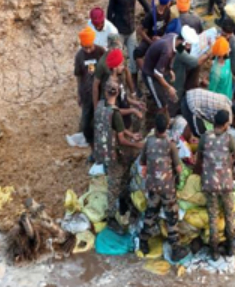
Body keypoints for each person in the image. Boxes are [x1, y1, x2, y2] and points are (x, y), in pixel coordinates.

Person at [94, 80, 144, 230]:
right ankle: (111, 217)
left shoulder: (100, 106)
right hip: (113, 152)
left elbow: (118, 128)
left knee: (123, 175)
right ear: (117, 94)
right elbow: (121, 138)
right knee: (114, 183)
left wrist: (131, 134)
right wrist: (136, 144)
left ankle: (123, 203)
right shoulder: (114, 113)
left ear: (105, 93)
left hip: (102, 148)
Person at [138, 115, 186, 260]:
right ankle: (176, 249)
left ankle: (143, 242)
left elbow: (143, 163)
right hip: (167, 188)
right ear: (167, 128)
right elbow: (178, 168)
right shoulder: (170, 144)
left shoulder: (149, 142)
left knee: (150, 213)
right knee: (171, 217)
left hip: (153, 186)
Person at [197, 109, 235, 259]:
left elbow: (198, 161)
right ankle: (231, 247)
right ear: (224, 125)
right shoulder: (229, 139)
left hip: (209, 183)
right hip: (225, 184)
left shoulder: (204, 138)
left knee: (213, 217)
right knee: (229, 215)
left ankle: (214, 251)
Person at [107, 0, 150, 82]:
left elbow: (144, 2)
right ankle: (119, 86)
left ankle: (134, 86)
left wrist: (151, 16)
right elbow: (109, 13)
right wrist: (111, 33)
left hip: (131, 31)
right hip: (119, 32)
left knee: (133, 59)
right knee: (117, 62)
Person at [143, 28, 197, 116]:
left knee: (163, 98)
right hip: (150, 74)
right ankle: (160, 125)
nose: (189, 48)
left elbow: (174, 54)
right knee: (162, 106)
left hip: (158, 67)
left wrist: (169, 69)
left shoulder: (174, 37)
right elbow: (157, 74)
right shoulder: (167, 51)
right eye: (188, 45)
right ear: (183, 42)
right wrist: (169, 88)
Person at [75, 27, 107, 144]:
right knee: (86, 118)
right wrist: (78, 93)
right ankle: (90, 140)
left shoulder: (100, 52)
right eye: (85, 48)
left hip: (100, 90)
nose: (88, 51)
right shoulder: (79, 56)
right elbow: (78, 75)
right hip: (86, 91)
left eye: (90, 47)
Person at [135, 0, 174, 72]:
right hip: (150, 38)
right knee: (137, 54)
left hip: (161, 39)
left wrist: (162, 39)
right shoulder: (151, 14)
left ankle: (165, 70)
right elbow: (140, 30)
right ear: (168, 2)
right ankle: (145, 72)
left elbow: (167, 28)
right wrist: (150, 42)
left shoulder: (168, 11)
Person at [171, 25, 210, 110]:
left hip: (177, 72)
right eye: (189, 44)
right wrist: (209, 52)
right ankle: (172, 113)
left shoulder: (176, 41)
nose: (189, 47)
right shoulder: (180, 51)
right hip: (177, 78)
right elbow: (197, 62)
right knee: (175, 96)